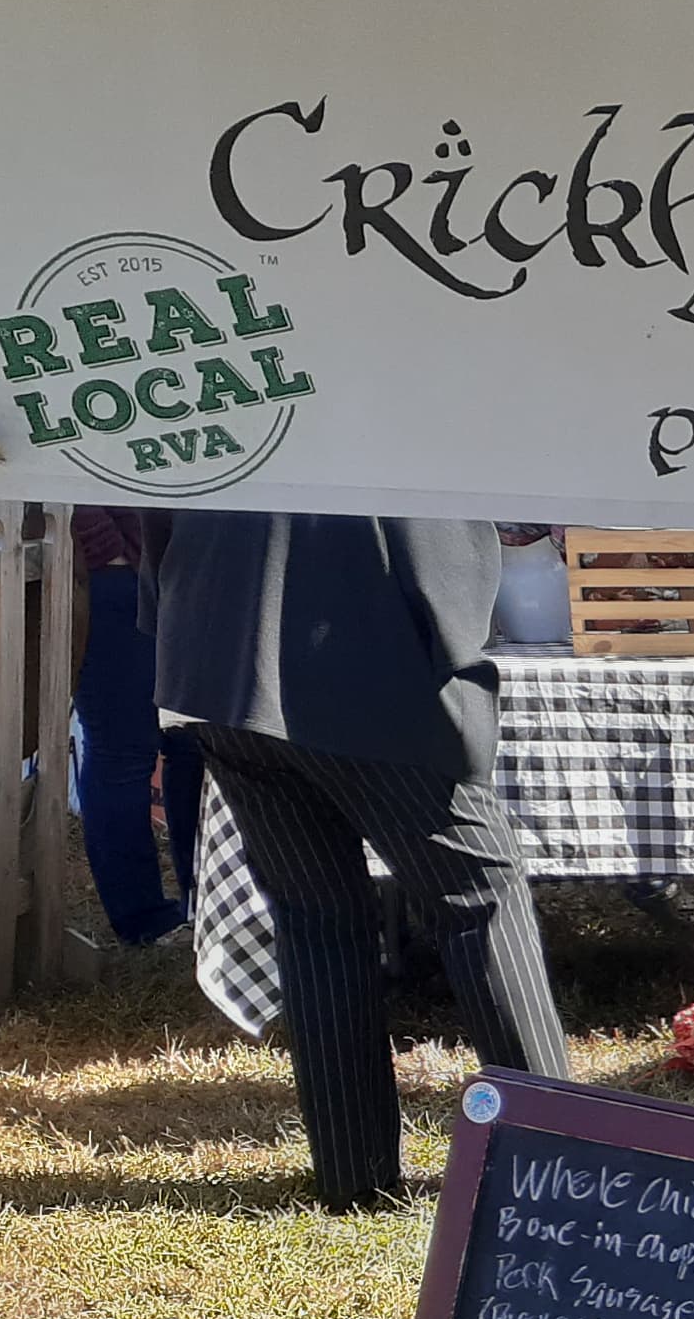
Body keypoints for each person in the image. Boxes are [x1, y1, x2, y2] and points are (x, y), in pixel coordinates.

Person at [147, 513, 569, 1210]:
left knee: (317, 918)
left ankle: (353, 1176)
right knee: (480, 897)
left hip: (217, 646)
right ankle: (563, 1167)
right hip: (370, 656)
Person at [67, 505, 205, 943]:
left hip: (188, 565)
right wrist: (104, 547)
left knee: (195, 742)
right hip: (116, 578)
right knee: (122, 749)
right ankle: (142, 918)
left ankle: (204, 902)